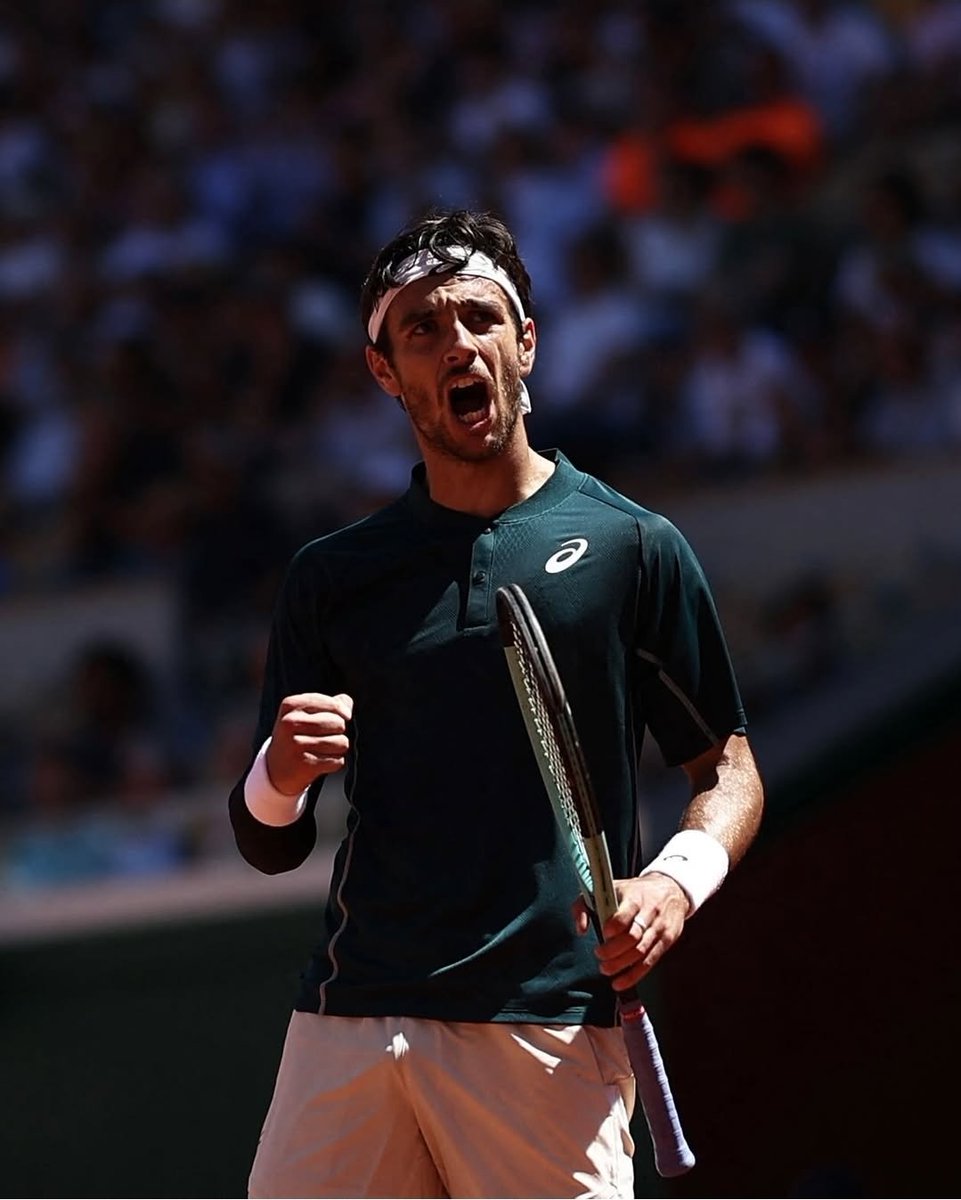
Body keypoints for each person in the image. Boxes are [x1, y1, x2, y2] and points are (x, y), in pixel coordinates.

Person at [228, 208, 764, 1199]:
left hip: (547, 1026)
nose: (456, 344)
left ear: (526, 340)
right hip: (349, 1019)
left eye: (478, 316)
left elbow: (726, 770)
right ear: (384, 372)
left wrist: (671, 886)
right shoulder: (331, 579)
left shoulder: (633, 548)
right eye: (422, 330)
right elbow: (270, 840)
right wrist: (278, 775)